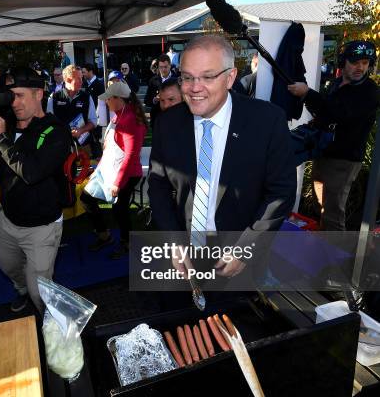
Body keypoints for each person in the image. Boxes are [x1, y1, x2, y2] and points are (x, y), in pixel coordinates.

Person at [148, 35, 295, 283]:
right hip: (182, 257)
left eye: (207, 76)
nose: (195, 87)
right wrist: (173, 241)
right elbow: (158, 185)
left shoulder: (267, 122)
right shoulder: (167, 123)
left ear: (230, 77)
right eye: (187, 77)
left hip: (239, 258)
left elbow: (281, 192)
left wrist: (247, 247)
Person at [0, 68, 71, 312]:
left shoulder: (55, 131)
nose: (13, 103)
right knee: (9, 267)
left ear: (38, 93)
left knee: (41, 293)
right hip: (8, 221)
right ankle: (21, 289)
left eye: (18, 95)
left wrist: (1, 139)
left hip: (42, 227)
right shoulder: (5, 126)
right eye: (9, 96)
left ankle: (50, 332)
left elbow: (31, 172)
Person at [287, 40, 380, 231]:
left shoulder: (369, 91)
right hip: (325, 153)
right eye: (355, 62)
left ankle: (336, 258)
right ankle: (322, 251)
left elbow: (341, 113)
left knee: (332, 213)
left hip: (344, 160)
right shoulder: (338, 83)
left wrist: (308, 93)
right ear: (343, 62)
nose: (360, 67)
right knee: (320, 206)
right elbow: (327, 113)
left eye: (365, 62)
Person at [81, 81, 147, 259]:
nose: (106, 102)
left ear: (119, 99)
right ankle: (105, 235)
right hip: (111, 170)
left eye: (108, 99)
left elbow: (131, 155)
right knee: (87, 198)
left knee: (120, 209)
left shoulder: (130, 119)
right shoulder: (119, 115)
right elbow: (111, 148)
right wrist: (98, 169)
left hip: (127, 173)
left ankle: (126, 242)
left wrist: (118, 183)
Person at [47, 64, 98, 146]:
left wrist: (81, 130)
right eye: (78, 79)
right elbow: (49, 123)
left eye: (82, 78)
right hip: (61, 147)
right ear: (68, 80)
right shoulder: (54, 98)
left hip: (83, 147)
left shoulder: (87, 97)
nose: (82, 81)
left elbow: (93, 122)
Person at [145, 54, 175, 128]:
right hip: (158, 118)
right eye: (161, 67)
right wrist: (154, 100)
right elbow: (147, 100)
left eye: (165, 67)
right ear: (158, 67)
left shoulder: (177, 79)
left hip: (174, 118)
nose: (163, 69)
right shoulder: (153, 81)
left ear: (170, 66)